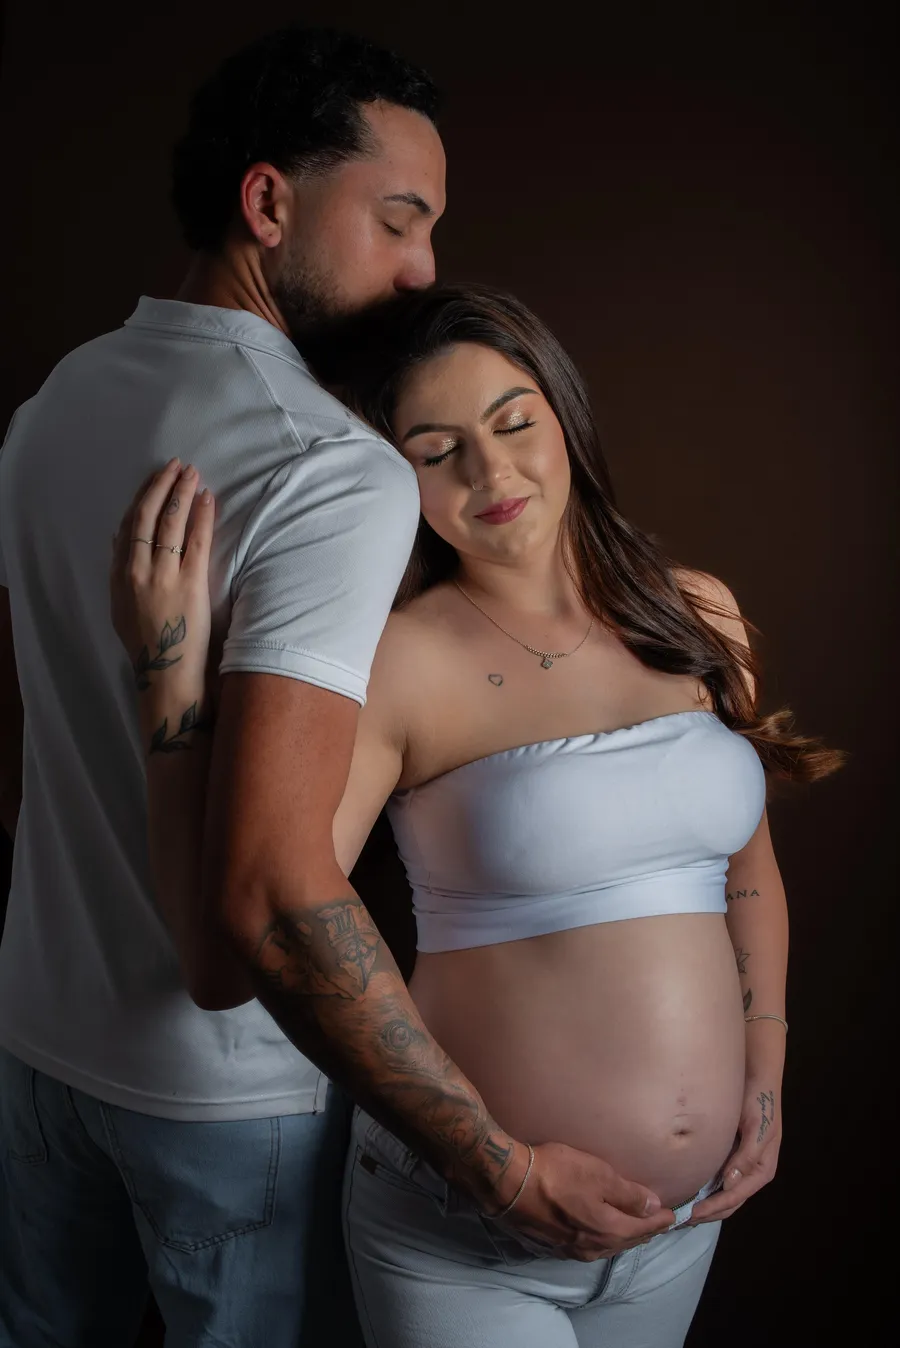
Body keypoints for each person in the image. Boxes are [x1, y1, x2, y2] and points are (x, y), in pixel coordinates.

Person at [0, 28, 674, 1348]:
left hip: (34, 1053)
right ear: (269, 203)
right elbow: (265, 904)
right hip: (221, 1109)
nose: (423, 268)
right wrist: (500, 1168)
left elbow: (23, 754)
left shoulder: (55, 407)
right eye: (398, 220)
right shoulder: (329, 467)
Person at [110, 283, 842, 1347]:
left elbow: (745, 868)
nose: (491, 474)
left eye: (513, 423)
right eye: (437, 449)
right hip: (467, 1232)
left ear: (564, 415)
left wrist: (763, 1075)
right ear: (392, 472)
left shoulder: (697, 611)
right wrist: (171, 678)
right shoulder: (395, 663)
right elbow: (236, 947)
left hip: (678, 1230)